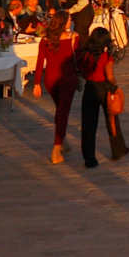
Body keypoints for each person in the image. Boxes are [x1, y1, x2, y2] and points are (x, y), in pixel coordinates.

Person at [75, 26, 124, 167]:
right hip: (104, 87)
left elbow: (82, 71)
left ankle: (89, 158)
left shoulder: (86, 54)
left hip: (90, 87)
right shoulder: (106, 55)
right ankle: (118, 149)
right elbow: (109, 75)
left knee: (88, 124)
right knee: (112, 119)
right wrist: (116, 86)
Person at [37, 19, 79, 165]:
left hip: (50, 80)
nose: (70, 21)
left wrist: (37, 83)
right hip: (67, 79)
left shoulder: (45, 40)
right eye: (68, 20)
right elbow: (78, 58)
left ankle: (62, 139)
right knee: (63, 112)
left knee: (60, 111)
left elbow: (39, 62)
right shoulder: (73, 37)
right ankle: (56, 148)